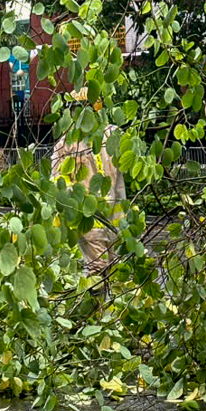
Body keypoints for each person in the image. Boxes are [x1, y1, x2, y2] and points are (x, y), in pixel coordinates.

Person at [51, 88, 126, 273]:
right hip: (90, 220)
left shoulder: (111, 135)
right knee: (98, 269)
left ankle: (105, 302)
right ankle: (97, 302)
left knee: (113, 272)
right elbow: (57, 182)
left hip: (114, 218)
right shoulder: (67, 144)